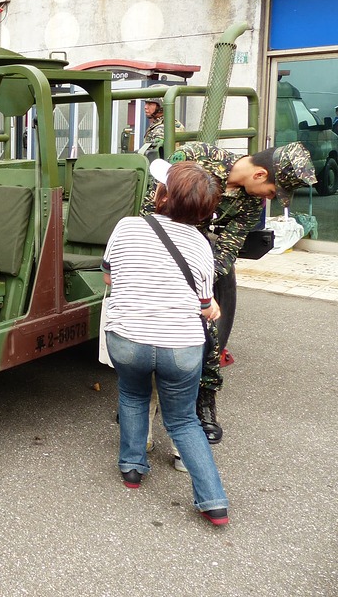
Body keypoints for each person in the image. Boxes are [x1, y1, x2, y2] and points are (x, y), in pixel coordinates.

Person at [141, 141, 315, 444]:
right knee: (144, 332)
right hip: (158, 256)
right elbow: (151, 208)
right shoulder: (195, 157)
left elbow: (227, 250)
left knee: (209, 334)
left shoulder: (249, 205)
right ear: (260, 175)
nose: (270, 199)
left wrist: (199, 282)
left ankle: (204, 404)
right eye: (273, 192)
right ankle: (138, 406)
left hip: (202, 269)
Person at [104, 159, 229, 526]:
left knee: (132, 394)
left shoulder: (127, 227)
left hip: (128, 339)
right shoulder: (203, 246)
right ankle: (213, 502)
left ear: (162, 197)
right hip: (181, 348)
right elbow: (205, 305)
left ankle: (131, 468)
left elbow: (110, 278)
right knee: (183, 421)